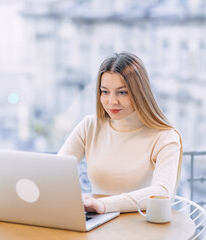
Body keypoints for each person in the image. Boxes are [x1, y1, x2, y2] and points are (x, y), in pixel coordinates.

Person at [58, 52, 182, 214]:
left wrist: (104, 205)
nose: (112, 102)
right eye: (105, 92)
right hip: (97, 222)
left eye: (122, 92)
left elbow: (161, 192)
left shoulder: (165, 137)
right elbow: (57, 170)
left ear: (140, 93)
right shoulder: (90, 126)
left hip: (142, 225)